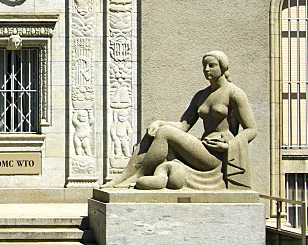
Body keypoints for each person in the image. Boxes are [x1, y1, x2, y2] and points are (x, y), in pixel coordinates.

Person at [105, 51, 256, 190]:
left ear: (223, 67)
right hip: (203, 148)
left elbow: (251, 129)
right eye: (204, 66)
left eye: (212, 65)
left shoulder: (234, 93)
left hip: (216, 155)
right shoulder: (201, 95)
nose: (207, 70)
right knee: (155, 131)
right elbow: (183, 125)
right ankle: (124, 176)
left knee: (165, 132)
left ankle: (140, 175)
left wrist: (229, 145)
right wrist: (159, 123)